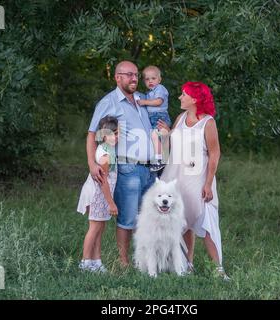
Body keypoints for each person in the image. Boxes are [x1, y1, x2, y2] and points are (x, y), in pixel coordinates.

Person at [86, 61, 156, 267]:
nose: (134, 78)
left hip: (149, 169)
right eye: (129, 75)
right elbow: (92, 134)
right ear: (117, 77)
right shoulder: (109, 102)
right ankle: (124, 263)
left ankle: (143, 261)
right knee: (127, 219)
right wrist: (92, 163)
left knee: (146, 219)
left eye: (136, 74)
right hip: (128, 168)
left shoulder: (142, 100)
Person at [158, 81, 230, 279]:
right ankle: (186, 264)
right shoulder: (180, 118)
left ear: (195, 99)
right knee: (182, 220)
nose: (180, 97)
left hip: (198, 178)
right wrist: (165, 135)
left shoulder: (207, 122)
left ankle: (218, 270)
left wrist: (208, 183)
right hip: (176, 176)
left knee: (207, 221)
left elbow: (215, 154)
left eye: (184, 94)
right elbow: (168, 149)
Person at [77, 116, 119, 272]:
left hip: (102, 194)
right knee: (94, 228)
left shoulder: (110, 149)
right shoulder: (105, 155)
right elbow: (103, 181)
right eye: (111, 133)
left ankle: (96, 261)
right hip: (98, 194)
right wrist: (111, 203)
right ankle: (85, 262)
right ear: (103, 135)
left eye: (117, 132)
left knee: (100, 228)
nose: (115, 136)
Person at [136, 65, 171, 173]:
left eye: (153, 78)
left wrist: (144, 102)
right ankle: (161, 158)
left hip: (160, 116)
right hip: (154, 117)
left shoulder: (160, 88)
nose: (150, 81)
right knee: (155, 137)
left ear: (159, 79)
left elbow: (158, 102)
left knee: (155, 135)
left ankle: (160, 160)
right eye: (147, 79)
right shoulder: (149, 93)